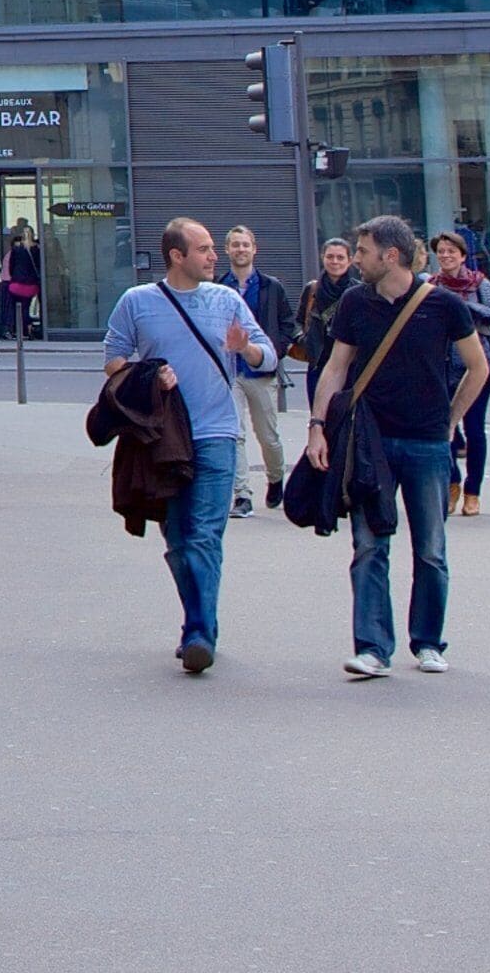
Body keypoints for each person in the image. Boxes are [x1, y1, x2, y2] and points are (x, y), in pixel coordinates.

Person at [304, 215, 490, 681]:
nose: (356, 259)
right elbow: (335, 368)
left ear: (391, 256)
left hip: (428, 441)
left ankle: (428, 641)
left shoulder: (444, 305)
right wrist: (317, 426)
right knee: (369, 545)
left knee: (430, 547)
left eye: (363, 251)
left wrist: (451, 420)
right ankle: (372, 648)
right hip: (370, 442)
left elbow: (478, 366)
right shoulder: (354, 303)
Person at [103, 216, 274, 674]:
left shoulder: (227, 300)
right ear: (177, 256)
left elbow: (268, 353)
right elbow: (114, 358)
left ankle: (199, 631)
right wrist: (147, 375)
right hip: (163, 439)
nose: (214, 255)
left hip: (218, 434)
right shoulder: (137, 302)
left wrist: (248, 349)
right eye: (203, 249)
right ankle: (199, 622)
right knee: (178, 537)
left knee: (204, 535)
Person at [430, 229, 490, 516]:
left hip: (476, 367)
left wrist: (463, 308)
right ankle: (452, 483)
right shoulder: (431, 285)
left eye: (452, 251)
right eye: (441, 252)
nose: (446, 256)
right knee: (444, 427)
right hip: (440, 365)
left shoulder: (480, 284)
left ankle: (473, 490)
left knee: (475, 430)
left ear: (463, 256)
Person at [221, 226, 295, 517]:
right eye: (235, 245)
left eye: (245, 245)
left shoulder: (270, 286)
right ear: (227, 250)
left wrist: (275, 352)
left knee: (268, 436)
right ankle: (242, 495)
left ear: (254, 250)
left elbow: (287, 323)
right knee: (234, 434)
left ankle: (276, 477)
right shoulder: (217, 286)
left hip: (261, 372)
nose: (240, 250)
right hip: (230, 372)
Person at [295, 236, 353, 404]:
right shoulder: (312, 289)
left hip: (348, 366)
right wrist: (303, 340)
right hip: (318, 363)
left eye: (340, 257)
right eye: (330, 256)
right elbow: (298, 320)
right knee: (318, 417)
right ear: (323, 258)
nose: (335, 261)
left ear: (349, 261)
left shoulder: (357, 291)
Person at [3, 220, 44, 339]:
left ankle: (18, 329)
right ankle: (28, 328)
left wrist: (14, 276)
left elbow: (11, 265)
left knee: (16, 307)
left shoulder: (16, 249)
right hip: (31, 284)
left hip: (17, 283)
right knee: (26, 306)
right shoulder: (37, 249)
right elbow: (39, 265)